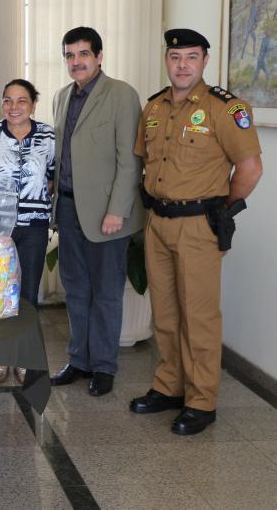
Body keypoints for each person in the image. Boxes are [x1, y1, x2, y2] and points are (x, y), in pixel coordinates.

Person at [129, 29, 262, 435]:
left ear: (205, 61)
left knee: (199, 316)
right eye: (175, 57)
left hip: (198, 226)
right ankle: (170, 386)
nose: (182, 65)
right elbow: (142, 163)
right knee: (165, 313)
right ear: (166, 61)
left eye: (191, 57)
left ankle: (202, 400)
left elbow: (251, 169)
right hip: (158, 223)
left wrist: (219, 213)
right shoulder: (153, 107)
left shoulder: (226, 108)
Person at [50, 26, 144, 397]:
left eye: (83, 54)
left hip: (108, 214)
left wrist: (118, 210)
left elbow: (130, 161)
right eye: (70, 56)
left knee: (105, 292)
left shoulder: (121, 95)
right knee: (75, 289)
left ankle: (104, 366)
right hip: (70, 208)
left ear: (99, 56)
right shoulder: (61, 97)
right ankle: (79, 360)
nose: (76, 62)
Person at [0, 79, 55, 384]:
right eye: (7, 100)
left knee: (27, 296)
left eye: (21, 101)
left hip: (34, 226)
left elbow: (51, 177)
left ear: (33, 104)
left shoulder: (48, 136)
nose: (14, 107)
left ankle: (23, 358)